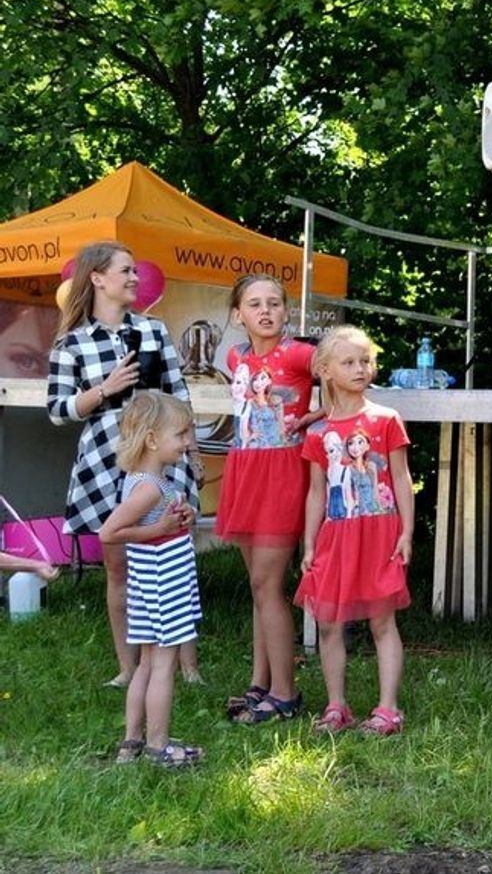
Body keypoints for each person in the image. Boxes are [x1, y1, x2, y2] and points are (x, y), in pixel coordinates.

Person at [47, 241, 201, 688]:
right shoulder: (71, 343)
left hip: (162, 460)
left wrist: (190, 453)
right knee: (118, 566)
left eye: (136, 271)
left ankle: (187, 667)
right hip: (104, 463)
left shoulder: (154, 331)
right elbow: (58, 409)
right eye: (126, 271)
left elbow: (179, 395)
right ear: (97, 278)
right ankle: (128, 668)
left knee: (175, 555)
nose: (135, 278)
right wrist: (104, 389)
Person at [294, 326, 414, 735]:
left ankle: (387, 709)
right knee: (329, 621)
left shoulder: (385, 420)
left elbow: (401, 479)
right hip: (337, 535)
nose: (360, 368)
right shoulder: (318, 432)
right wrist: (309, 541)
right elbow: (316, 492)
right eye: (348, 362)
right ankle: (336, 705)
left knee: (382, 620)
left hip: (379, 533)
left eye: (365, 361)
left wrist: (407, 532)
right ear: (325, 370)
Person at [215, 275, 318, 724]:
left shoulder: (298, 353)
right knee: (258, 587)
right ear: (239, 314)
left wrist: (313, 417)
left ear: (285, 311)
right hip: (245, 472)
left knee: (268, 583)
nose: (265, 311)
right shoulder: (236, 355)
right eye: (254, 304)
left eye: (274, 303)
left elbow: (349, 371)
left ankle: (286, 694)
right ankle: (260, 683)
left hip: (281, 473)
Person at [99, 392, 203, 768]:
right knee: (163, 663)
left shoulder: (148, 481)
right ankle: (159, 747)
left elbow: (155, 518)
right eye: (181, 433)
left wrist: (181, 515)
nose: (188, 441)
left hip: (152, 582)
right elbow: (110, 533)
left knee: (146, 662)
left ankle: (132, 742)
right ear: (153, 439)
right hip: (162, 581)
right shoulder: (148, 487)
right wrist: (160, 528)